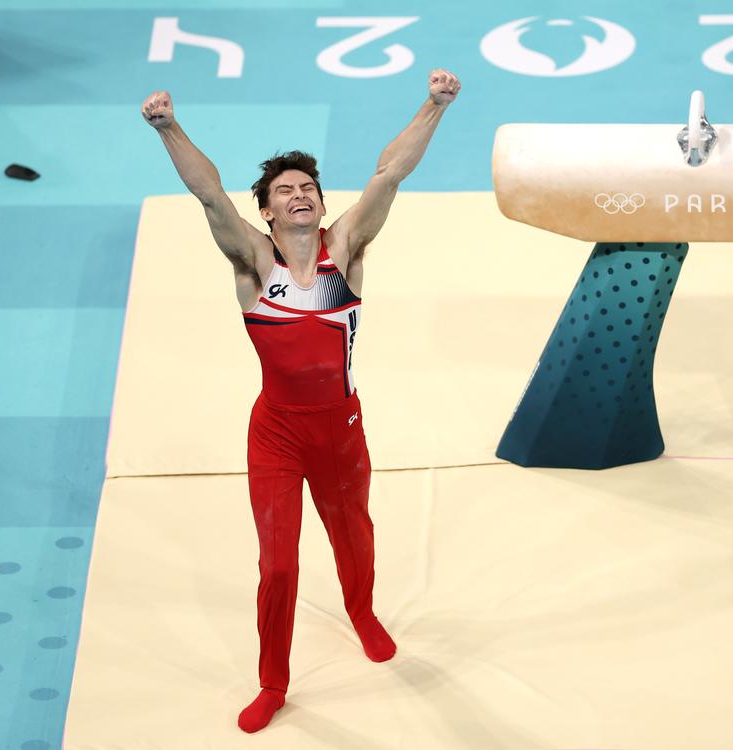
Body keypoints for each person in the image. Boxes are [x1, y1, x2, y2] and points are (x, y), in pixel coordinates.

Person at [141, 68, 461, 733]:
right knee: (279, 561)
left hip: (342, 430)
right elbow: (207, 195)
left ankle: (362, 611)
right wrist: (170, 127)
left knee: (355, 536)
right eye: (284, 191)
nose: (299, 196)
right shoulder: (255, 264)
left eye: (307, 187)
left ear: (320, 201)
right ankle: (273, 682)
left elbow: (389, 175)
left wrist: (433, 105)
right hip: (278, 435)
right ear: (266, 209)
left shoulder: (346, 249)